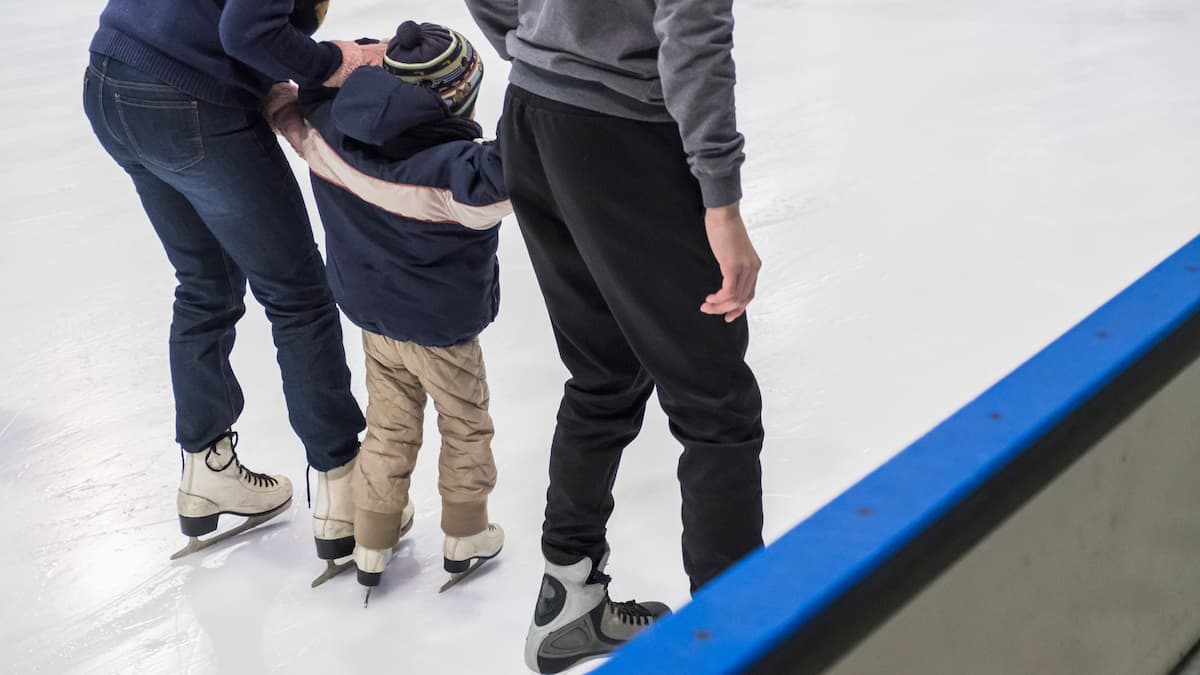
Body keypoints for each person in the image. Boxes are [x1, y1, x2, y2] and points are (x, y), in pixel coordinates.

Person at [464, 0, 766, 671]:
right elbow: (693, 28)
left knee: (603, 373)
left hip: (535, 114)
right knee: (715, 404)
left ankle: (567, 598)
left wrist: (539, 49)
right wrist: (721, 200)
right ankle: (737, 641)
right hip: (621, 133)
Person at [81, 0, 383, 563]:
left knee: (203, 283)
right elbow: (249, 29)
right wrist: (329, 63)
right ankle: (345, 486)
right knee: (298, 297)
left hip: (111, 76)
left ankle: (206, 468)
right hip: (187, 99)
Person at [276, 20, 509, 596]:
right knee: (464, 425)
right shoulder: (460, 174)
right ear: (457, 98)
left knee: (388, 426)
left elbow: (290, 104)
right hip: (442, 332)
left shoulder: (327, 131)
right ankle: (466, 533)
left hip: (375, 320)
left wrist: (345, 68)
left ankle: (373, 541)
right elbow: (523, 172)